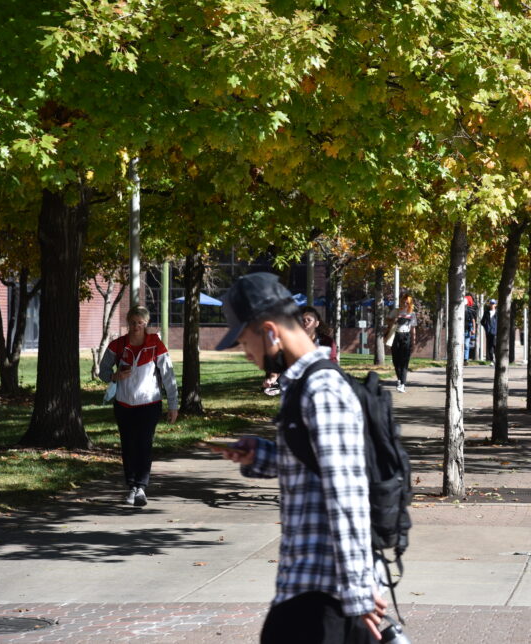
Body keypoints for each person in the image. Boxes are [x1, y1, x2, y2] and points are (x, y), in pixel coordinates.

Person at [214, 272, 386, 643]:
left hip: (328, 594)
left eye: (246, 342)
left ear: (271, 332)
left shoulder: (323, 392)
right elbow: (312, 465)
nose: (247, 355)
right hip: (305, 585)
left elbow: (347, 497)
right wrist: (258, 455)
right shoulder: (301, 386)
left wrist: (358, 594)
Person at [99, 306, 179, 507]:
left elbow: (169, 377)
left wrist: (173, 405)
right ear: (128, 323)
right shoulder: (118, 345)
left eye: (140, 323)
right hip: (124, 404)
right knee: (128, 445)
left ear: (146, 324)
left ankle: (141, 487)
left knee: (144, 444)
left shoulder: (156, 345)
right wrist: (114, 376)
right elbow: (102, 371)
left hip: (149, 404)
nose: (136, 326)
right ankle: (131, 486)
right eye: (133, 322)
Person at [386, 293, 417, 392]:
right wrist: (394, 320)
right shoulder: (396, 311)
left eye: (407, 303)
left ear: (410, 304)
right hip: (396, 335)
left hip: (406, 336)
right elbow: (388, 321)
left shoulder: (412, 314)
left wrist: (414, 340)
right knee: (396, 360)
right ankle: (399, 379)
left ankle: (403, 383)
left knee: (404, 360)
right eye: (403, 302)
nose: (405, 304)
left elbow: (413, 328)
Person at [481, 299, 499, 364]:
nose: (492, 305)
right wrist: (486, 327)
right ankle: (492, 360)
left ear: (495, 305)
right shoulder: (486, 312)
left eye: (493, 304)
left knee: (495, 345)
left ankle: (497, 359)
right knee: (490, 346)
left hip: (495, 332)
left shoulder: (497, 313)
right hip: (488, 332)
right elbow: (482, 321)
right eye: (491, 304)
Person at [464, 294, 477, 363]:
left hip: (467, 329)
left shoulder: (469, 310)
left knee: (466, 344)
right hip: (461, 330)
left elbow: (473, 320)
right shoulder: (458, 310)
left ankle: (465, 359)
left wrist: (473, 329)